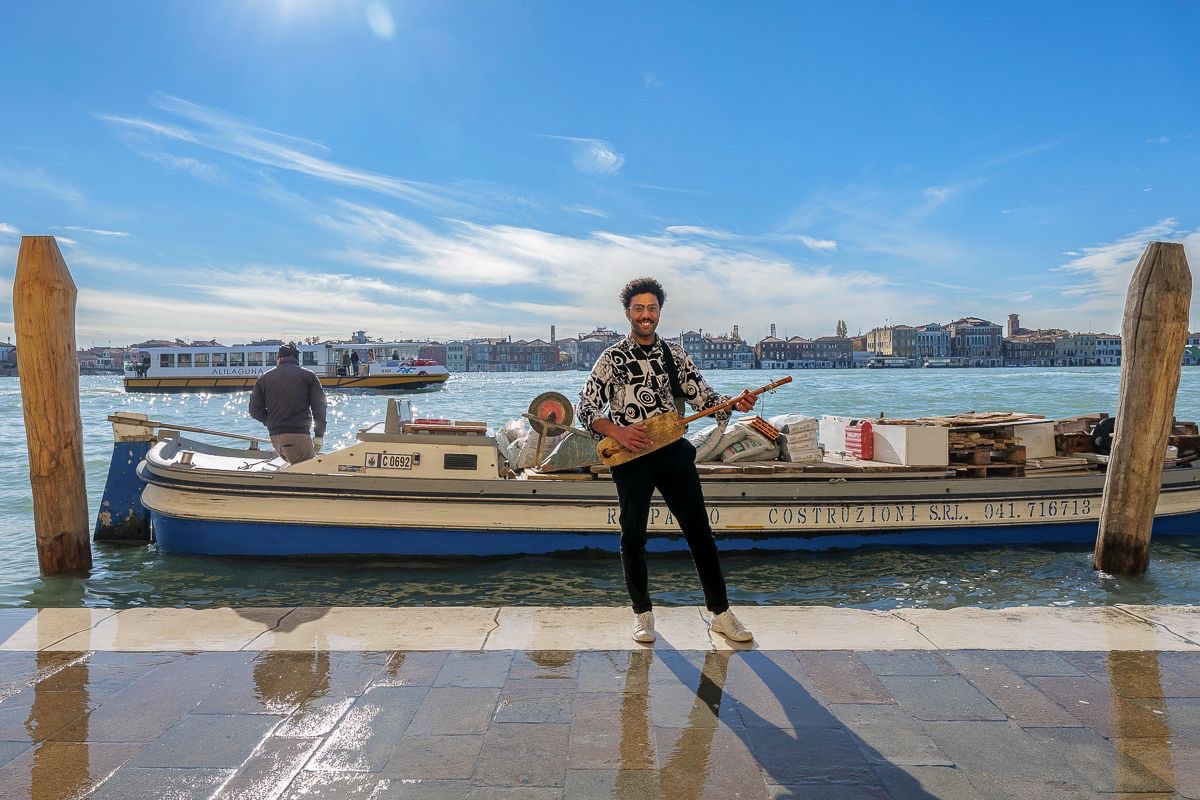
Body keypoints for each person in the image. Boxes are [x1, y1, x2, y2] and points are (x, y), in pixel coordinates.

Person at [577, 276, 757, 644]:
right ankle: (643, 615)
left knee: (699, 533)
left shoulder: (675, 355)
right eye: (639, 308)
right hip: (630, 457)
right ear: (628, 312)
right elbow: (586, 408)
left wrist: (735, 403)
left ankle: (721, 614)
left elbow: (705, 399)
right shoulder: (611, 358)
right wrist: (618, 432)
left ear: (660, 311)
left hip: (673, 453)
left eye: (652, 308)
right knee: (633, 537)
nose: (646, 315)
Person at [249, 343, 328, 464]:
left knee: (295, 471)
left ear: (278, 358)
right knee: (308, 475)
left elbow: (254, 410)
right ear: (297, 358)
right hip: (298, 435)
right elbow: (319, 406)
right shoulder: (308, 376)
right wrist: (319, 436)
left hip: (275, 437)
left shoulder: (263, 378)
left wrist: (270, 421)